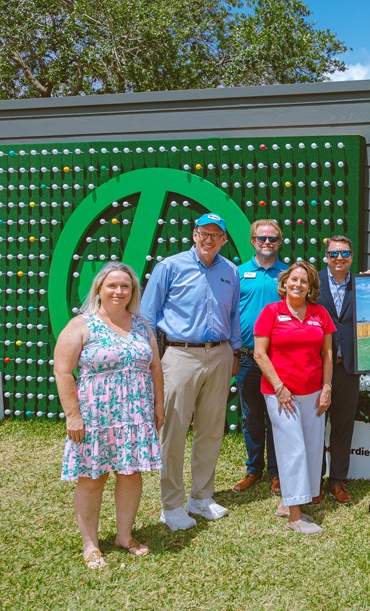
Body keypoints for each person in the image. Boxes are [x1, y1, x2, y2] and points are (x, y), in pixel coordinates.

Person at [55, 262, 163, 568]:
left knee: (131, 474)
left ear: (133, 292)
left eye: (125, 286)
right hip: (95, 416)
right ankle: (90, 544)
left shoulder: (142, 325)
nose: (119, 291)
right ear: (99, 289)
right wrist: (72, 415)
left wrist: (159, 405)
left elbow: (155, 367)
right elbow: (63, 371)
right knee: (93, 477)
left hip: (136, 413)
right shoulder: (82, 325)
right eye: (112, 285)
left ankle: (124, 535)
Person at [141, 212, 241, 531]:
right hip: (180, 355)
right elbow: (147, 313)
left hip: (220, 353)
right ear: (194, 234)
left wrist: (235, 352)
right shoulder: (169, 266)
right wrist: (152, 358)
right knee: (173, 429)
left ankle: (201, 497)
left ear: (224, 240)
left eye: (216, 235)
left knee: (211, 429)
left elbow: (235, 314)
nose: (209, 239)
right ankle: (170, 504)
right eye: (204, 233)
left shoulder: (231, 271)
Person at [254, 261, 335, 534]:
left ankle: (295, 500)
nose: (298, 285)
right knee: (293, 450)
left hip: (313, 393)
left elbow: (327, 355)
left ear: (311, 288)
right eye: (294, 280)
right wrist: (279, 387)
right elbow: (259, 354)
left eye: (304, 281)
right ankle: (295, 517)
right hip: (281, 395)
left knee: (312, 449)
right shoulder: (271, 312)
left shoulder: (320, 313)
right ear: (284, 284)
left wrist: (327, 387)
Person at [232, 219, 288, 494]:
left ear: (280, 242)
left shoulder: (289, 275)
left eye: (273, 238)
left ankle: (278, 472)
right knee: (251, 416)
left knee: (278, 415)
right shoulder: (237, 273)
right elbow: (229, 313)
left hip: (280, 358)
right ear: (253, 241)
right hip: (246, 357)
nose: (267, 243)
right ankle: (254, 470)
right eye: (262, 238)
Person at [317, 235, 367, 503]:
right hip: (316, 367)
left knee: (342, 426)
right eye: (334, 254)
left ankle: (338, 481)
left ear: (351, 257)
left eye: (345, 254)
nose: (339, 259)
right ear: (326, 256)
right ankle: (314, 482)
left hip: (348, 367)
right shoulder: (314, 283)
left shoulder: (361, 284)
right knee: (315, 426)